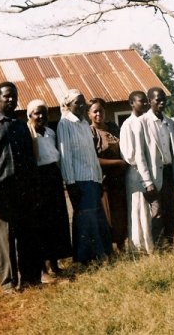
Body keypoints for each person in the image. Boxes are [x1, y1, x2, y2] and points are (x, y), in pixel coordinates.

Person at [0, 82, 41, 292]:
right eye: (6, 96)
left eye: (13, 96)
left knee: (26, 233)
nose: (10, 100)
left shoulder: (21, 125)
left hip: (24, 189)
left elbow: (30, 159)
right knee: (4, 239)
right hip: (0, 190)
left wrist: (33, 186)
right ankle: (8, 283)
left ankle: (30, 278)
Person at [57, 89, 112, 265]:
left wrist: (98, 178)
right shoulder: (65, 124)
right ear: (68, 104)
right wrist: (70, 183)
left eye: (82, 102)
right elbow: (65, 157)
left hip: (92, 178)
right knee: (84, 218)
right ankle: (84, 258)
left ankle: (98, 254)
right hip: (78, 180)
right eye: (77, 103)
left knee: (95, 217)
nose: (81, 106)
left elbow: (91, 154)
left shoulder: (83, 124)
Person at [26, 100, 72, 282]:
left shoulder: (50, 132)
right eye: (37, 113)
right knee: (42, 223)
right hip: (38, 180)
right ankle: (43, 270)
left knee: (56, 221)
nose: (41, 116)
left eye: (44, 113)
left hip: (53, 176)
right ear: (29, 115)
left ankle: (54, 265)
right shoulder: (28, 134)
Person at [139, 87, 174, 250]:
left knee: (170, 213)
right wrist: (147, 181)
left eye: (164, 99)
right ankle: (158, 248)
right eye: (158, 100)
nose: (162, 102)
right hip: (153, 175)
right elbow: (140, 155)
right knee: (157, 213)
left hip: (168, 173)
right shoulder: (142, 122)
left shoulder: (169, 122)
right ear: (149, 101)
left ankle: (169, 245)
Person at [88, 98, 129, 254]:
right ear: (89, 114)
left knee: (120, 214)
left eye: (101, 110)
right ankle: (108, 251)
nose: (99, 114)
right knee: (107, 215)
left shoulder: (112, 127)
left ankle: (121, 246)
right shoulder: (91, 132)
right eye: (95, 111)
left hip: (120, 179)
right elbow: (93, 159)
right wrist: (117, 163)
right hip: (104, 180)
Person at [119, 91, 153, 254]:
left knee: (148, 211)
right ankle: (139, 249)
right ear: (131, 103)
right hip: (136, 173)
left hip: (150, 172)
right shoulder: (128, 124)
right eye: (141, 101)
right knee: (137, 210)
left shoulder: (148, 121)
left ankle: (151, 246)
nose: (145, 104)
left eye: (147, 101)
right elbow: (131, 154)